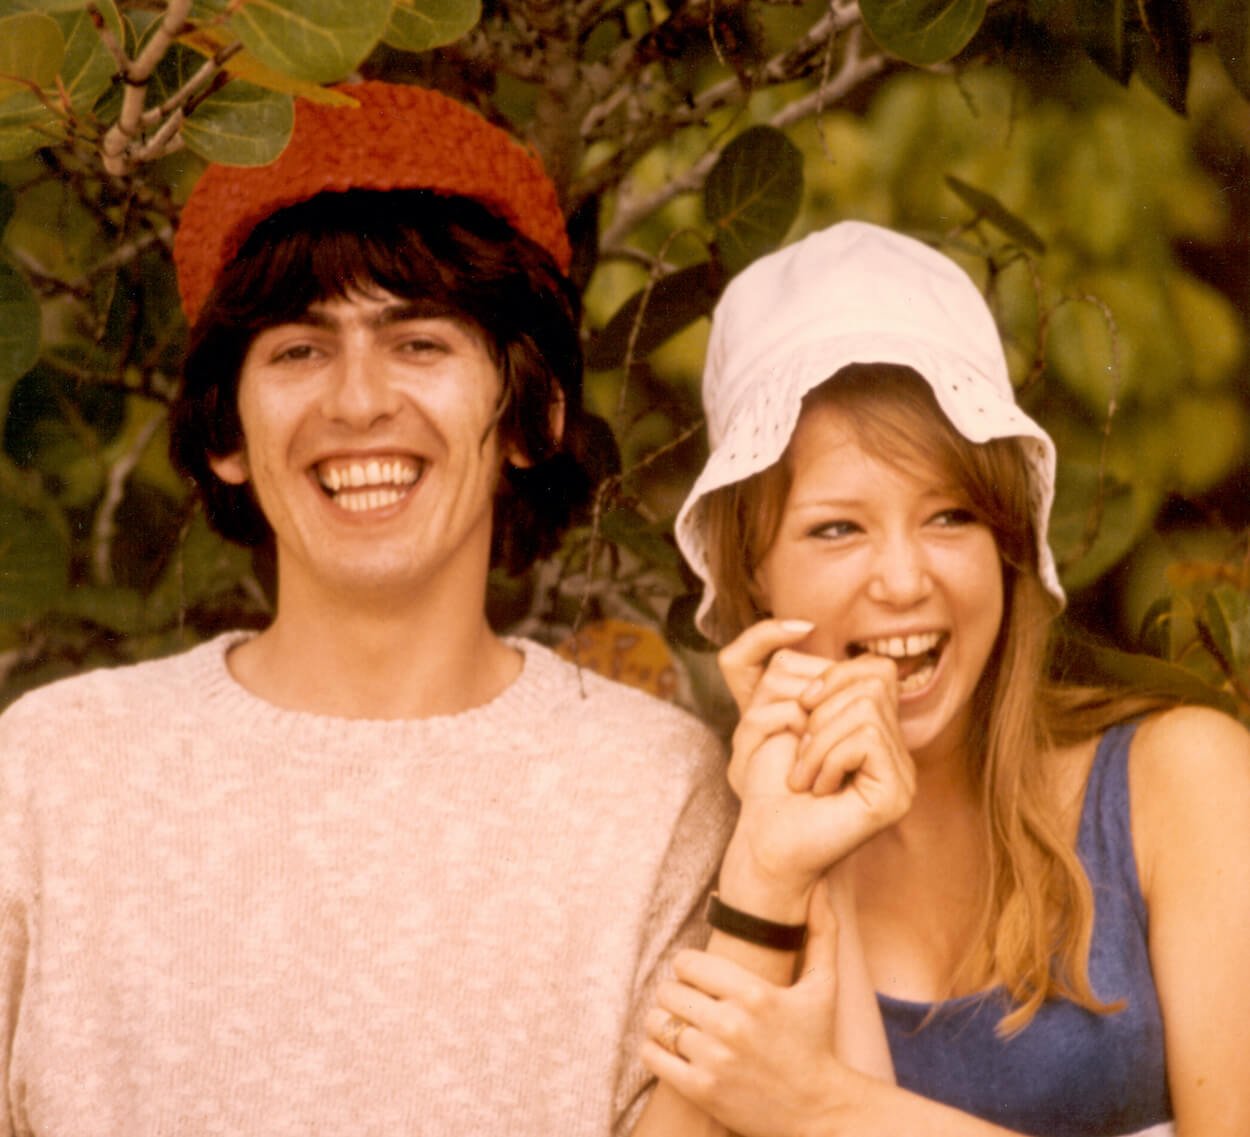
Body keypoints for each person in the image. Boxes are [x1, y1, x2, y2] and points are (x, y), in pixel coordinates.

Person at [0, 81, 736, 1136]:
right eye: (298, 350)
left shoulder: (651, 789)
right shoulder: (52, 771)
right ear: (224, 431)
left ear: (530, 414)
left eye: (419, 343)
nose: (356, 401)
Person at [636, 221, 1250, 1136]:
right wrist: (776, 868)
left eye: (951, 515)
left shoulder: (1180, 781)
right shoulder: (728, 844)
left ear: (1007, 541)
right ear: (752, 568)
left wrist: (821, 1106)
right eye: (837, 528)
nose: (903, 580)